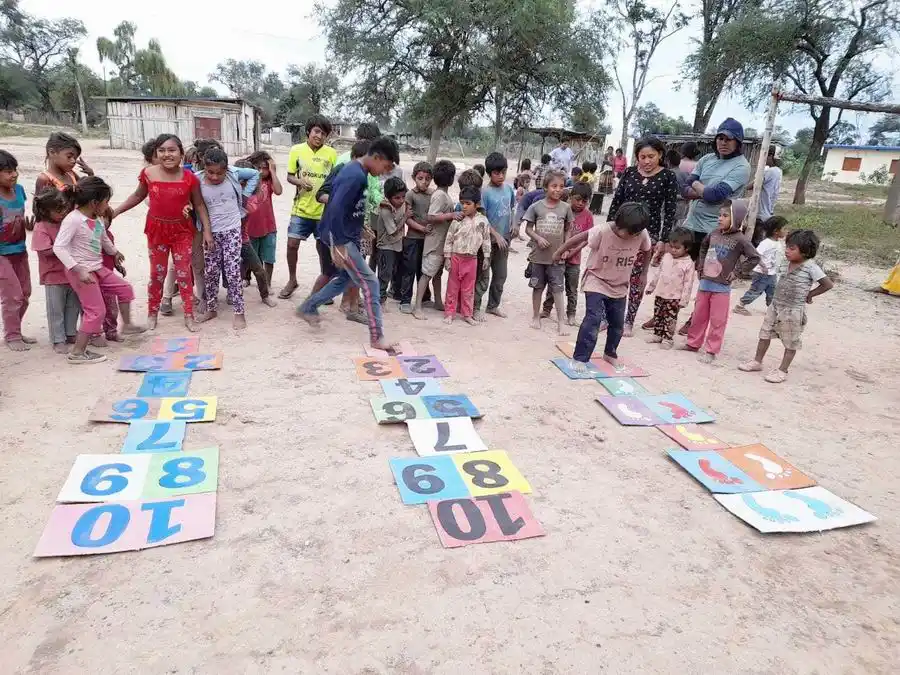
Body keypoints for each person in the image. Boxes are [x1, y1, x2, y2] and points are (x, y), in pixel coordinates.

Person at [298, 136, 401, 353]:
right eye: (386, 166)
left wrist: (360, 228)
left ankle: (308, 307)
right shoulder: (354, 175)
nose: (385, 172)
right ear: (377, 157)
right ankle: (377, 337)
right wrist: (337, 245)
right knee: (370, 282)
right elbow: (335, 207)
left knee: (346, 278)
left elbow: (349, 206)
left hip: (347, 236)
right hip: (342, 239)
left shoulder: (359, 172)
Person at [113, 134, 213, 331]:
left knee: (184, 274)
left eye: (172, 150)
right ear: (156, 154)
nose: (167, 155)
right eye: (162, 151)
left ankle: (188, 315)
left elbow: (200, 205)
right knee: (157, 274)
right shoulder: (148, 174)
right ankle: (152, 313)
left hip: (182, 232)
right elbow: (137, 196)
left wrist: (207, 233)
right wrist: (115, 212)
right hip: (157, 230)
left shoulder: (190, 178)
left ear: (181, 154)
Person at [54, 177, 145, 364]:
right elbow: (59, 247)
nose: (108, 205)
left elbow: (102, 238)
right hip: (81, 271)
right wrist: (78, 269)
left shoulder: (97, 219)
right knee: (96, 311)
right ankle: (78, 352)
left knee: (125, 289)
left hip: (97, 267)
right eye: (106, 201)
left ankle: (127, 325)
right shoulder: (73, 220)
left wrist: (114, 252)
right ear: (95, 203)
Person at [553, 202, 652, 369]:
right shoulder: (603, 230)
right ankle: (580, 359)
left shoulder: (641, 234)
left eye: (630, 233)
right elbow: (580, 237)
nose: (624, 235)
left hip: (620, 284)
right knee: (593, 319)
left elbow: (648, 250)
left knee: (617, 323)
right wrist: (559, 252)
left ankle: (610, 353)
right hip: (596, 279)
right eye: (623, 230)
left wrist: (643, 273)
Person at [679, 118, 751, 334]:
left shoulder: (741, 167)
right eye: (720, 137)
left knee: (708, 277)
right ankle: (667, 313)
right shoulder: (707, 159)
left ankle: (695, 321)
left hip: (717, 229)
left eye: (729, 139)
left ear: (738, 142)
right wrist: (701, 190)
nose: (723, 142)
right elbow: (683, 187)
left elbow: (714, 195)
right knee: (679, 269)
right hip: (692, 223)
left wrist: (698, 188)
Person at [739, 229, 833, 383]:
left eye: (792, 248)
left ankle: (782, 370)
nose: (787, 251)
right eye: (787, 247)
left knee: (791, 341)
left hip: (793, 310)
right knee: (764, 334)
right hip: (776, 306)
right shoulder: (784, 263)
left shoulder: (810, 267)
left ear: (805, 252)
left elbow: (827, 284)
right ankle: (757, 361)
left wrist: (810, 294)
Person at [608, 136, 679, 335]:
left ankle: (629, 321)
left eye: (651, 156)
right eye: (642, 157)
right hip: (621, 232)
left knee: (637, 278)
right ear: (637, 157)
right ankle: (609, 317)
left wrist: (664, 239)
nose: (647, 161)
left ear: (660, 155)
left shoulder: (668, 177)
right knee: (613, 275)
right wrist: (609, 229)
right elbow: (616, 201)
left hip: (648, 235)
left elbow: (670, 210)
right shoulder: (629, 173)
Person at [684, 199, 759, 363]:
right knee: (698, 316)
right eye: (719, 215)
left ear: (736, 219)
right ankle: (693, 343)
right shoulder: (714, 233)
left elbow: (754, 258)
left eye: (725, 216)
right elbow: (703, 247)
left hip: (722, 287)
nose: (719, 218)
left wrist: (737, 272)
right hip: (705, 283)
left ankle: (711, 350)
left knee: (718, 320)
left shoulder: (741, 239)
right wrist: (700, 265)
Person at [195, 148, 259, 329]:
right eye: (211, 172)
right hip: (210, 233)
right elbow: (195, 202)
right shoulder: (197, 179)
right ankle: (212, 308)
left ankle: (239, 312)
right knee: (211, 272)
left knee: (232, 272)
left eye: (219, 173)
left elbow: (255, 174)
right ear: (204, 168)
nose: (215, 177)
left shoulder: (234, 173)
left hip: (232, 230)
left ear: (226, 170)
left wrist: (245, 195)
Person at [280, 115, 336, 299]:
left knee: (323, 249)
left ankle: (322, 287)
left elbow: (335, 179)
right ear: (308, 132)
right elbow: (289, 176)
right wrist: (299, 181)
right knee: (292, 244)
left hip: (323, 212)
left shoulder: (331, 154)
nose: (319, 136)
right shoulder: (296, 150)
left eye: (324, 133)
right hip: (301, 209)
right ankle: (292, 280)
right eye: (317, 131)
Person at [313, 139, 371, 316]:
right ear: (353, 157)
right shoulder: (342, 171)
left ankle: (351, 307)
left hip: (351, 233)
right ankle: (310, 305)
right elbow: (320, 194)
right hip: (333, 231)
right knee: (328, 273)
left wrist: (362, 226)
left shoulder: (364, 176)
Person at [523, 170, 573, 336]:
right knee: (537, 287)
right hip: (538, 256)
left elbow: (568, 231)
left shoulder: (566, 208)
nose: (558, 190)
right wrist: (537, 238)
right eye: (554, 186)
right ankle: (536, 316)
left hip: (556, 257)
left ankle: (560, 321)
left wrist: (565, 248)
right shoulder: (536, 207)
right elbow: (528, 229)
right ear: (545, 187)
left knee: (558, 289)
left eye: (561, 186)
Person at [31, 189, 81, 353]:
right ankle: (58, 339)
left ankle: (71, 333)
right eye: (58, 210)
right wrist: (63, 248)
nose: (63, 213)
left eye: (65, 208)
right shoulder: (41, 227)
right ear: (46, 210)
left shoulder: (65, 223)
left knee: (72, 306)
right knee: (56, 310)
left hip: (70, 274)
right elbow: (44, 250)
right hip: (52, 276)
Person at [413, 159, 461, 320]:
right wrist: (451, 215)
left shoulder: (443, 195)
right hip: (434, 243)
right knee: (427, 274)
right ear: (451, 178)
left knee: (437, 274)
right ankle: (417, 306)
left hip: (441, 244)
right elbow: (431, 216)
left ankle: (438, 302)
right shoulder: (440, 195)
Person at [542, 181, 594, 325]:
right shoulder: (562, 210)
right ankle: (546, 309)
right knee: (554, 284)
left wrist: (574, 251)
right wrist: (561, 251)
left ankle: (571, 314)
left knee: (572, 288)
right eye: (577, 199)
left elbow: (588, 238)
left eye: (584, 201)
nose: (580, 203)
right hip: (559, 256)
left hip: (574, 259)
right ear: (570, 197)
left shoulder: (588, 215)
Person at [475, 152, 515, 321]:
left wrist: (514, 224)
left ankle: (493, 306)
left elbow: (511, 208)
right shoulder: (485, 192)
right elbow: (482, 218)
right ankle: (475, 307)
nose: (500, 176)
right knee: (483, 276)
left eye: (503, 172)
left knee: (500, 276)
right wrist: (495, 234)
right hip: (487, 242)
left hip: (504, 240)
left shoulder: (508, 189)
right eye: (496, 173)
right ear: (489, 174)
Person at [0, 150, 33, 351]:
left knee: (25, 293)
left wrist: (28, 227)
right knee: (12, 295)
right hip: (1, 254)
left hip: (20, 250)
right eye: (7, 171)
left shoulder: (19, 190)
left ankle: (16, 330)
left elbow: (22, 216)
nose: (13, 175)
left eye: (15, 170)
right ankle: (12, 335)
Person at [443, 185, 491, 325]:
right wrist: (447, 258)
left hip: (472, 260)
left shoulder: (483, 221)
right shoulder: (457, 220)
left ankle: (467, 314)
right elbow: (449, 239)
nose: (464, 206)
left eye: (468, 203)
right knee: (452, 287)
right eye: (462, 203)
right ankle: (449, 313)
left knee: (468, 289)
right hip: (456, 257)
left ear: (477, 205)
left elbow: (486, 239)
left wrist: (487, 257)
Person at [233, 158, 277, 309]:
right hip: (228, 238)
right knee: (233, 269)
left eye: (246, 180)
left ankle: (264, 295)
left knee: (258, 268)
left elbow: (250, 208)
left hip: (243, 238)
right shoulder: (229, 193)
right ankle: (232, 294)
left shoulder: (253, 196)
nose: (243, 183)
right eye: (240, 180)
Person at [644, 228, 695, 348]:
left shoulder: (688, 263)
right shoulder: (667, 257)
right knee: (658, 314)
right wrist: (651, 286)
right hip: (661, 293)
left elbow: (688, 283)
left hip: (674, 297)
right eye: (671, 246)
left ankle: (668, 338)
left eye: (677, 248)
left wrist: (684, 300)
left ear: (686, 248)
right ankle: (657, 334)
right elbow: (659, 273)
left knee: (670, 318)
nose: (673, 250)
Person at [243, 150, 282, 286]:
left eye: (264, 168)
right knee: (250, 257)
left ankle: (267, 283)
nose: (261, 171)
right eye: (258, 167)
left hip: (268, 227)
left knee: (269, 258)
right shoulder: (247, 182)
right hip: (250, 227)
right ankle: (246, 278)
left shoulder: (269, 181)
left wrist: (273, 172)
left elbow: (278, 191)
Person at [733, 216, 787, 315]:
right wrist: (763, 266)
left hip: (772, 274)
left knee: (772, 292)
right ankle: (740, 305)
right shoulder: (766, 243)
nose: (786, 231)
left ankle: (771, 310)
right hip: (762, 273)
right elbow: (756, 255)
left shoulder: (778, 243)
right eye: (784, 229)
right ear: (776, 231)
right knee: (756, 291)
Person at [399, 161, 433, 313]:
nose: (424, 182)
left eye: (427, 178)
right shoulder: (410, 195)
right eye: (420, 178)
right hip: (412, 239)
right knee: (409, 270)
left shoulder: (433, 195)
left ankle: (425, 297)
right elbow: (407, 218)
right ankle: (405, 300)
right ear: (414, 178)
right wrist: (422, 228)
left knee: (424, 270)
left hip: (427, 240)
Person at [376, 177, 407, 304]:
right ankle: (379, 298)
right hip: (386, 246)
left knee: (392, 271)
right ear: (389, 197)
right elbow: (392, 231)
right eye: (397, 198)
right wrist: (405, 218)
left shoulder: (400, 205)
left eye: (403, 197)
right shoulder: (385, 210)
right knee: (385, 274)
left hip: (396, 245)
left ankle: (389, 293)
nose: (401, 200)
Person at [753, 148, 783, 245]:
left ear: (770, 156)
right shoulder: (778, 171)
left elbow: (754, 184)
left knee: (756, 242)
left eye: (765, 156)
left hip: (761, 213)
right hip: (768, 211)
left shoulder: (770, 171)